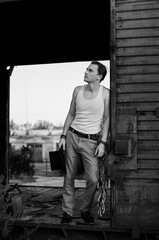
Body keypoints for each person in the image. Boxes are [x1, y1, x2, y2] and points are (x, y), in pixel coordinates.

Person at [58, 61, 110, 224]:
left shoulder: (106, 94)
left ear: (99, 76)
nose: (86, 72)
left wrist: (103, 142)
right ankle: (67, 212)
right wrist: (63, 136)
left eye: (90, 70)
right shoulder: (77, 90)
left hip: (92, 141)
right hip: (73, 136)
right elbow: (71, 114)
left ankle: (85, 210)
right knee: (69, 177)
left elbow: (108, 119)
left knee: (93, 179)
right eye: (87, 69)